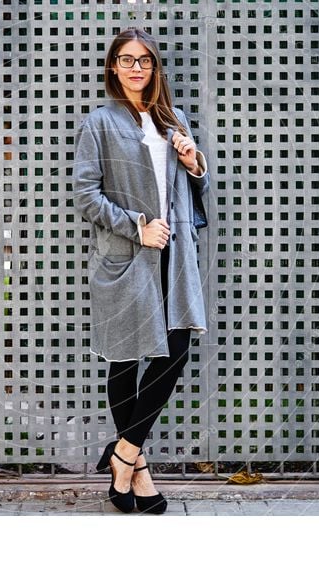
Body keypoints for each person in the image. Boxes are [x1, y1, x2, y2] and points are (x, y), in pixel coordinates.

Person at [72, 27, 210, 513]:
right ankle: (137, 470)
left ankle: (124, 453)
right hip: (128, 255)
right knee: (126, 359)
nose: (136, 68)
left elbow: (188, 189)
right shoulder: (100, 123)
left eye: (145, 61)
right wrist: (137, 227)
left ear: (154, 68)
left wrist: (194, 164)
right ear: (113, 67)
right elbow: (86, 194)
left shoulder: (174, 119)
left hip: (174, 255)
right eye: (127, 60)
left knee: (174, 352)